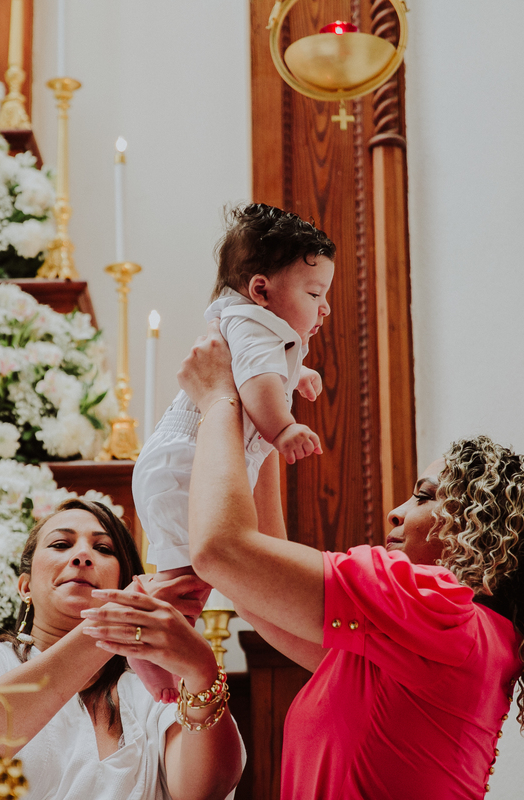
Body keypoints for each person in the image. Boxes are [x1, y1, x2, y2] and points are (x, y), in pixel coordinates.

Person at [176, 324, 524, 799]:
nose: (397, 510)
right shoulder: (454, 641)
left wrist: (218, 399)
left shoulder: (439, 610)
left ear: (480, 529)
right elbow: (257, 596)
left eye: (424, 497)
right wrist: (265, 416)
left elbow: (220, 550)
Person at [130, 203, 334, 700]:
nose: (324, 308)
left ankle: (149, 636)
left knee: (195, 575)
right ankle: (145, 635)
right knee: (193, 574)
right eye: (314, 294)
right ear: (261, 290)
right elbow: (259, 383)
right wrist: (284, 429)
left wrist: (297, 375)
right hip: (187, 462)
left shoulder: (255, 327)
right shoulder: (254, 326)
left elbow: (263, 375)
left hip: (184, 463)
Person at [0, 498, 243, 800]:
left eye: (103, 549)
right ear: (25, 587)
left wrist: (201, 669)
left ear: (124, 582)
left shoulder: (153, 690)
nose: (82, 555)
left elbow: (205, 790)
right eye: (60, 544)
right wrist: (115, 622)